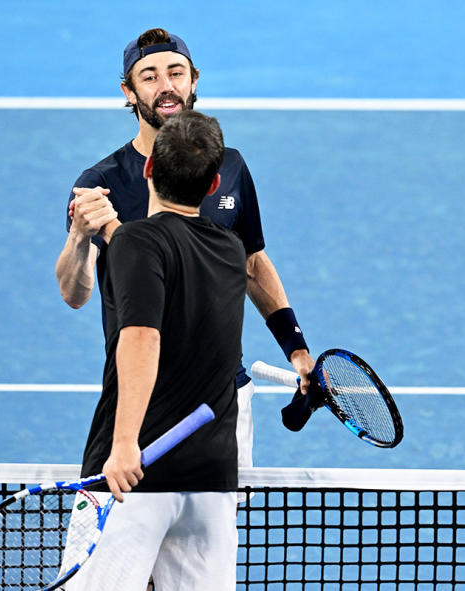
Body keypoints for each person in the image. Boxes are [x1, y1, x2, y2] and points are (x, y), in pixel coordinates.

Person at [54, 28, 314, 478]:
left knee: (210, 542)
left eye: (176, 73)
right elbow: (75, 294)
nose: (166, 86)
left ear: (193, 80)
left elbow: (252, 263)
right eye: (149, 76)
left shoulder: (226, 165)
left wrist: (296, 349)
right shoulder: (102, 181)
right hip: (141, 396)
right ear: (129, 91)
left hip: (221, 396)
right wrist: (79, 238)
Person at [66, 110, 247, 590]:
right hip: (209, 478)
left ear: (148, 170)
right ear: (213, 187)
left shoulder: (136, 241)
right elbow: (160, 247)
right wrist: (112, 234)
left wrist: (124, 442)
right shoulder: (230, 249)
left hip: (131, 474)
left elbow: (142, 335)